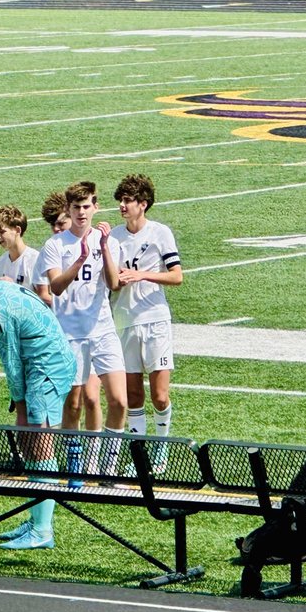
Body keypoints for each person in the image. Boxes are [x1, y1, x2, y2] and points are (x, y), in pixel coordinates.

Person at [0, 256, 77, 550]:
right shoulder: (3, 291)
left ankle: (43, 530)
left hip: (45, 369)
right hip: (46, 365)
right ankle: (35, 521)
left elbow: (11, 361)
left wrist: (20, 408)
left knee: (39, 440)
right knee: (33, 443)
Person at [38, 181, 126, 474]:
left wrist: (103, 248)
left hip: (103, 331)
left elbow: (114, 285)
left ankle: (107, 467)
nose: (81, 213)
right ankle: (77, 465)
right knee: (74, 404)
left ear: (95, 207)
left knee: (119, 401)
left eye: (86, 206)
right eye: (76, 207)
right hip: (71, 334)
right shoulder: (55, 244)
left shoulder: (109, 241)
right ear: (69, 210)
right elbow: (56, 287)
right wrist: (79, 260)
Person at [110, 174, 182, 463]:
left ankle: (160, 450)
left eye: (128, 201)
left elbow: (177, 276)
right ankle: (140, 456)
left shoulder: (160, 233)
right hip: (124, 321)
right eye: (121, 201)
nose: (123, 206)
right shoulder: (114, 236)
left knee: (160, 396)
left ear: (143, 204)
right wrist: (116, 280)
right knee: (133, 395)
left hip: (154, 320)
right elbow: (109, 279)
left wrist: (141, 275)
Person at [0, 204, 39, 288]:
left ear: (17, 230)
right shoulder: (0, 262)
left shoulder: (35, 260)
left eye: (2, 232)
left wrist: (13, 288)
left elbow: (44, 298)